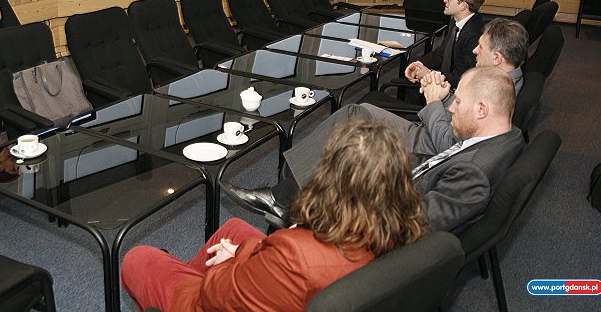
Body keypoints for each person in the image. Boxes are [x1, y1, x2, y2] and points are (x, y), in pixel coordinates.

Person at [121, 119, 427, 312]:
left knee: (138, 259)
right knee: (234, 228)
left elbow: (215, 295)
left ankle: (171, 280)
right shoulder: (397, 231)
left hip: (216, 297)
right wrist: (242, 253)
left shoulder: (293, 254)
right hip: (290, 283)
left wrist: (228, 264)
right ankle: (179, 271)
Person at [225, 66, 525, 234]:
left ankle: (285, 206)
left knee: (350, 148)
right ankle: (285, 201)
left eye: (457, 102)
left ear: (482, 110)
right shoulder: (508, 134)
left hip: (392, 201)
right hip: (416, 173)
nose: (451, 109)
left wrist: (367, 184)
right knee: (354, 132)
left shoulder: (474, 173)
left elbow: (416, 226)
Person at [405, 0, 486, 88]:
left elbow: (463, 78)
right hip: (448, 75)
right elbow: (442, 53)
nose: (445, 0)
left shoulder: (474, 34)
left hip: (458, 89)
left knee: (415, 87)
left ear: (463, 6)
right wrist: (419, 64)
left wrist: (430, 75)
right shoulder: (455, 21)